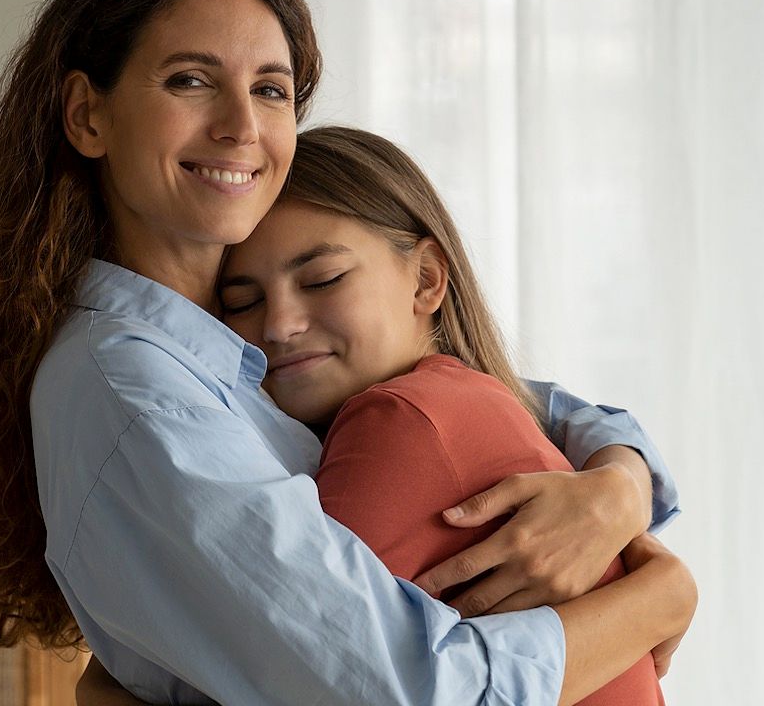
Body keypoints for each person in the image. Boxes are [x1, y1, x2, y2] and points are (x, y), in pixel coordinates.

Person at [0, 0, 689, 704]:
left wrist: (621, 483)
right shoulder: (140, 394)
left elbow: (499, 400)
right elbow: (410, 691)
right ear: (88, 115)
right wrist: (655, 602)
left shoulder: (231, 344)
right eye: (189, 79)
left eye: (270, 89)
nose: (241, 126)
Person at [216, 125, 677, 704]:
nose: (279, 324)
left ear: (426, 280)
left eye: (323, 280)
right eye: (242, 301)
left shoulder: (400, 418)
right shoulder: (467, 397)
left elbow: (292, 675)